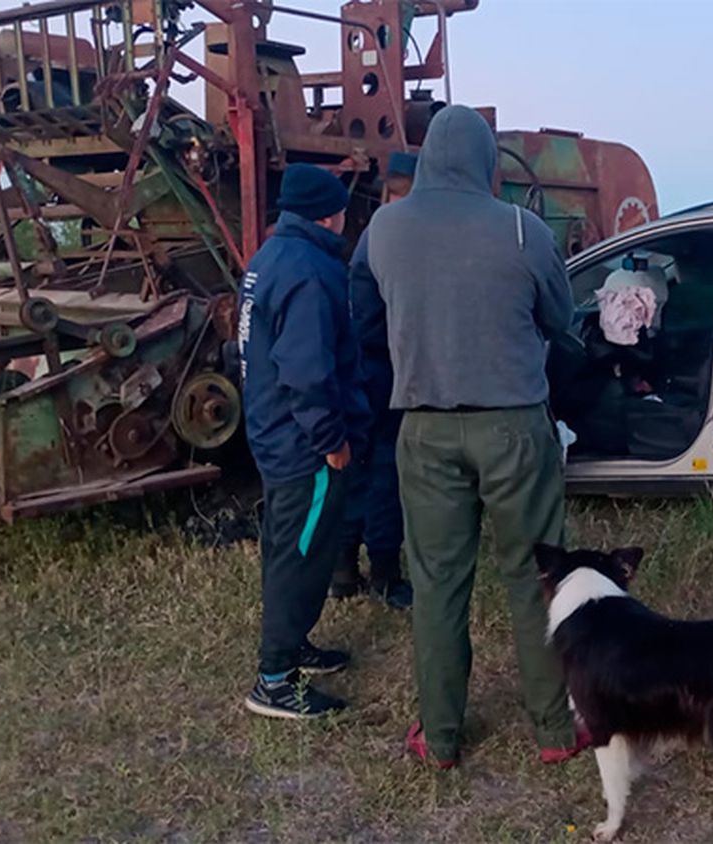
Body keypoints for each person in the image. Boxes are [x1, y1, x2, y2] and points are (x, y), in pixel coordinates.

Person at [365, 105, 585, 768]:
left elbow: (378, 311)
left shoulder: (384, 229)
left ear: (429, 156)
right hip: (514, 424)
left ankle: (440, 735)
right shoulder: (522, 231)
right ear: (488, 162)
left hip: (424, 429)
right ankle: (553, 731)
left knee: (436, 582)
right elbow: (560, 318)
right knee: (534, 573)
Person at [237, 163, 369, 720]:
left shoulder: (268, 259)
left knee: (287, 547)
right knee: (301, 557)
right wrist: (330, 437)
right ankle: (275, 680)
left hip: (272, 432)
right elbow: (307, 370)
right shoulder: (312, 271)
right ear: (330, 213)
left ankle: (296, 647)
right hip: (304, 445)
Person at [329, 232, 413, 609]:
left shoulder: (372, 236)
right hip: (383, 367)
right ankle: (385, 574)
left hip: (355, 366)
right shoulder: (398, 234)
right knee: (385, 469)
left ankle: (343, 569)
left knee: (354, 467)